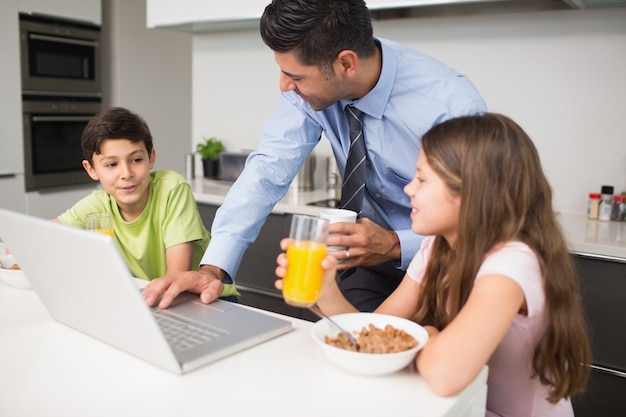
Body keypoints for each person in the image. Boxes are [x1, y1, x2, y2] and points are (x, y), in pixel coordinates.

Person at [142, 0, 486, 311]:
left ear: (346, 64)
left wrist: (397, 244)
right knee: (347, 356)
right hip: (366, 265)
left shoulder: (449, 105)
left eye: (294, 76)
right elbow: (266, 171)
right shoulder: (306, 91)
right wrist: (213, 269)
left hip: (447, 265)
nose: (283, 86)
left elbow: (480, 215)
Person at [275, 113, 592, 417]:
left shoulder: (513, 263)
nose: (409, 189)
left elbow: (444, 374)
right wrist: (325, 291)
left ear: (469, 191)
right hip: (462, 406)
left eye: (422, 179)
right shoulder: (438, 246)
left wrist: (426, 334)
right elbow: (374, 336)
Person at [54, 107, 239, 298]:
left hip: (206, 297)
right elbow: (44, 234)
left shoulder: (171, 190)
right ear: (91, 169)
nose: (126, 174)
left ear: (151, 157)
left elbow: (176, 277)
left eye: (136, 160)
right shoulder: (99, 203)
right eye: (111, 164)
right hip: (159, 297)